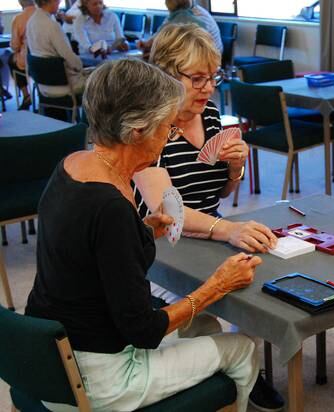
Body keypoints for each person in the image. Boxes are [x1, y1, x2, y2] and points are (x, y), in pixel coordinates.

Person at [25, 58, 260, 412]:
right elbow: (144, 331)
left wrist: (143, 229)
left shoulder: (71, 166)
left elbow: (88, 249)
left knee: (207, 324)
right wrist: (219, 285)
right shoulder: (111, 208)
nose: (171, 135)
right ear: (137, 131)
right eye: (167, 127)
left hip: (49, 357)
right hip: (99, 379)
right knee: (242, 347)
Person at [133, 23, 283, 412]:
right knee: (204, 321)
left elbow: (219, 194)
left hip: (211, 235)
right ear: (166, 74)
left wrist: (235, 170)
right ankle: (224, 373)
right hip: (162, 249)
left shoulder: (212, 116)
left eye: (213, 77)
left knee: (261, 286)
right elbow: (166, 212)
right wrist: (228, 229)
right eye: (197, 78)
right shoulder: (148, 129)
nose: (208, 88)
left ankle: (244, 369)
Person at [27, 0, 87, 97]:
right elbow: (68, 56)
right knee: (99, 79)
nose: (60, 1)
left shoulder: (30, 22)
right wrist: (81, 67)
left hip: (42, 85)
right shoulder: (52, 25)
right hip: (64, 85)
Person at [137, 0, 222, 58]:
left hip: (204, 60)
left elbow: (189, 52)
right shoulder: (177, 15)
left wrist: (155, 53)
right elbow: (162, 33)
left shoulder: (195, 19)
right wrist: (148, 43)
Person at [8, 0, 35, 110]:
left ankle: (26, 95)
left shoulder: (18, 18)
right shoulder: (44, 14)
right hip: (43, 58)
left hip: (27, 59)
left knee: (11, 60)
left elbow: (15, 45)